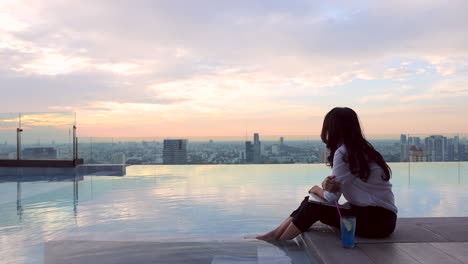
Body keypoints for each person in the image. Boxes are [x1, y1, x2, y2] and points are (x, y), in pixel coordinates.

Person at [256, 107, 397, 241]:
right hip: (384, 220)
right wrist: (323, 185)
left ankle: (281, 242)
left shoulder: (344, 153)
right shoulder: (363, 150)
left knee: (314, 206)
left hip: (374, 222)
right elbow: (335, 189)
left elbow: (331, 197)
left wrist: (317, 188)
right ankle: (276, 234)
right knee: (310, 200)